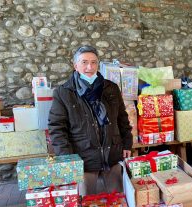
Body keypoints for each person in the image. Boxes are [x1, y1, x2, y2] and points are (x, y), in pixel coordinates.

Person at [48, 45, 133, 195]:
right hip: (83, 160)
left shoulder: (111, 88)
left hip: (112, 155)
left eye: (94, 62)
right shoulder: (64, 93)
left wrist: (127, 143)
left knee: (118, 202)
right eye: (84, 62)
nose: (89, 67)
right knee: (87, 206)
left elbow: (122, 118)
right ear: (75, 66)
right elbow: (57, 128)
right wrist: (67, 159)